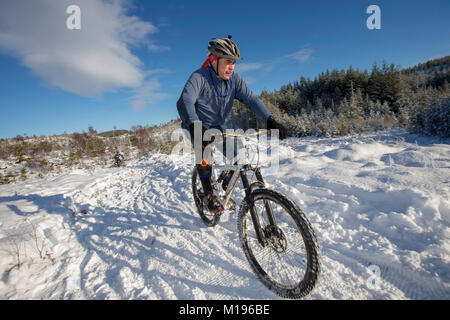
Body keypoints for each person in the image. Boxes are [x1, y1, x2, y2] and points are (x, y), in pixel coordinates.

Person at [177, 36, 287, 213]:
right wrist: (196, 127)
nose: (231, 67)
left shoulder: (234, 80)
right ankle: (207, 194)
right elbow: (185, 101)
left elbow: (251, 99)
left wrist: (269, 120)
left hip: (219, 126)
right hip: (195, 124)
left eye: (234, 62)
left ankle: (226, 185)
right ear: (214, 59)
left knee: (239, 158)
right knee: (205, 157)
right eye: (228, 61)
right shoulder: (199, 77)